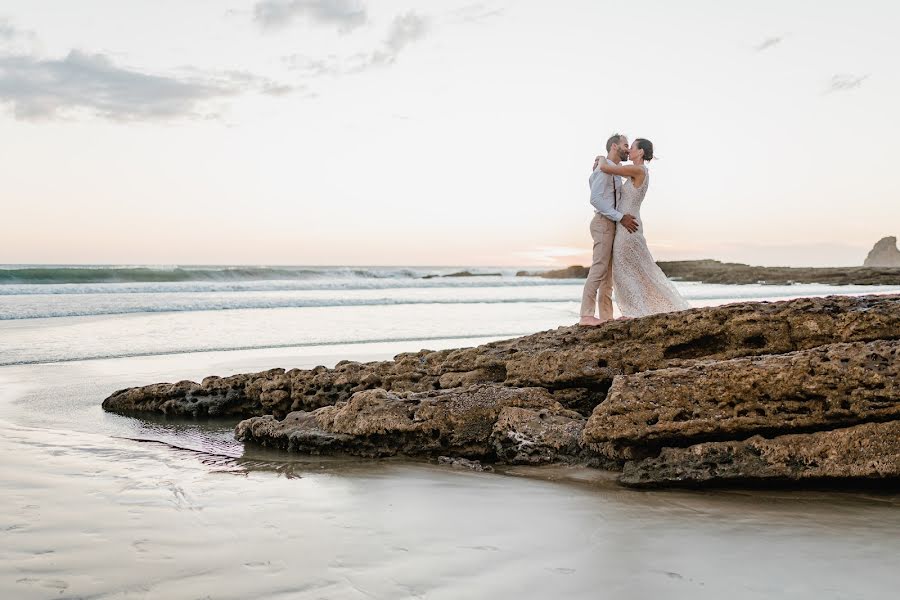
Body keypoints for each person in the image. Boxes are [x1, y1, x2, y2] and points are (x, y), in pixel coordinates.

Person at [598, 138, 690, 317]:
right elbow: (616, 173)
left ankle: (635, 311)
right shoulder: (637, 171)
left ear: (640, 152)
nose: (628, 150)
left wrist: (601, 157)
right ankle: (640, 309)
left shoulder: (638, 170)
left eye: (631, 148)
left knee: (623, 269)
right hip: (628, 225)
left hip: (628, 227)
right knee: (637, 269)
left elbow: (606, 168)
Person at [579, 134, 640, 326]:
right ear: (614, 146)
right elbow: (595, 198)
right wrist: (620, 217)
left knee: (608, 275)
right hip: (603, 222)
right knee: (598, 269)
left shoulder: (615, 170)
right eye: (625, 145)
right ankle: (586, 316)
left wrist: (600, 161)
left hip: (611, 224)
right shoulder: (604, 170)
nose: (628, 149)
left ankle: (606, 317)